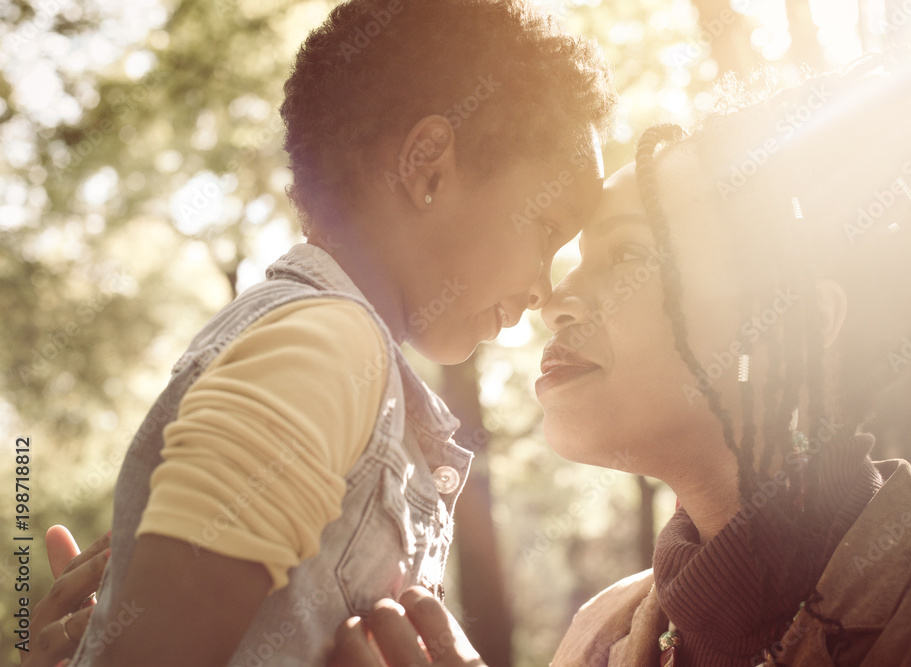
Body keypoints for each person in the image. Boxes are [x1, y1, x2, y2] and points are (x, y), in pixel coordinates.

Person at [330, 59, 911, 666]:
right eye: (577, 258)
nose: (554, 301)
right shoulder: (601, 635)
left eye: (626, 256)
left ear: (804, 321)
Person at [27, 1, 616, 665]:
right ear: (428, 168)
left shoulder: (344, 363)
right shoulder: (330, 348)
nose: (543, 287)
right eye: (546, 230)